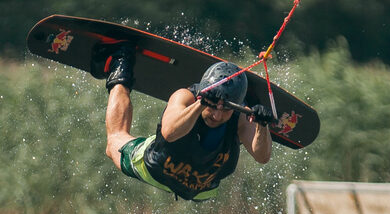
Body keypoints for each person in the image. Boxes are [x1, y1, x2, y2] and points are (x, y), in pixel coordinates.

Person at [99, 43, 273, 201]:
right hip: (154, 169)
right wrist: (201, 104)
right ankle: (120, 65)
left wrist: (262, 126)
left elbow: (262, 156)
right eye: (213, 107)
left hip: (201, 189)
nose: (217, 116)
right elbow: (169, 133)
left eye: (225, 109)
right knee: (114, 141)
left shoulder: (241, 117)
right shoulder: (184, 97)